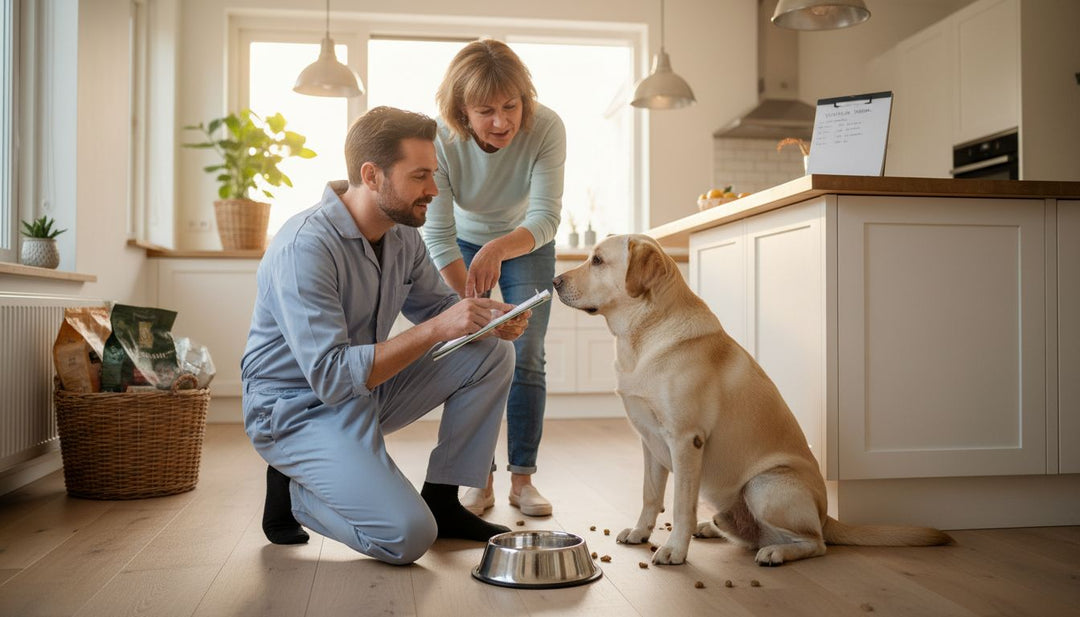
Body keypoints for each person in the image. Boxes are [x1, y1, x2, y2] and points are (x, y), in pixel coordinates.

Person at [241, 106, 532, 565]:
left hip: (362, 392)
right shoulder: (304, 247)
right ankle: (296, 489)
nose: (434, 190)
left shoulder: (401, 236)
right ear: (371, 176)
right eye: (420, 176)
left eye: (433, 174)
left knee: (491, 351)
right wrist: (440, 327)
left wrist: (489, 320)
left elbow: (439, 310)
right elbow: (331, 376)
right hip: (296, 408)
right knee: (408, 537)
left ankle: (443, 499)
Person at [423, 39, 566, 517]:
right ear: (461, 112)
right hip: (461, 246)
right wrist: (476, 305)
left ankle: (522, 480)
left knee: (527, 354)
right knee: (474, 351)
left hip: (526, 242)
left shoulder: (546, 127)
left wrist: (500, 247)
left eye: (511, 106)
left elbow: (546, 217)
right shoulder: (440, 139)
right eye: (485, 111)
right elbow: (437, 233)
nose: (502, 122)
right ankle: (477, 480)